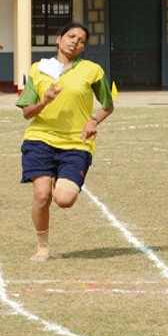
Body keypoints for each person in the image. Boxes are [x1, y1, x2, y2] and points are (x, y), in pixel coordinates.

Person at [16, 22, 114, 262]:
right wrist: (44, 101)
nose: (75, 42)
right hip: (40, 138)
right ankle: (42, 247)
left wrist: (93, 122)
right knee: (41, 196)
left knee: (64, 199)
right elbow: (27, 112)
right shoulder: (40, 69)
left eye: (81, 40)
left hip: (76, 142)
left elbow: (108, 105)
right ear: (59, 39)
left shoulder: (93, 70)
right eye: (71, 36)